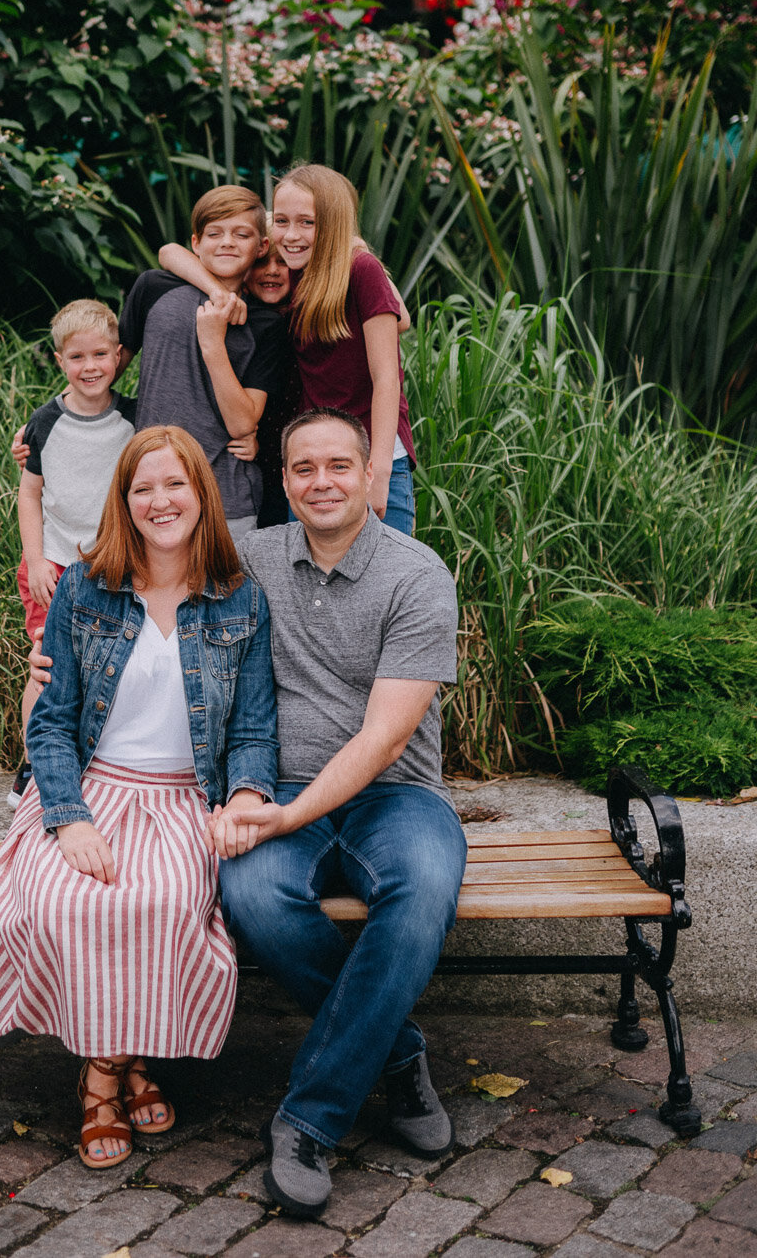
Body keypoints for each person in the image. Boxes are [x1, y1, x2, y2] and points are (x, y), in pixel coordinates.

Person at [0, 426, 279, 1169]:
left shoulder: (240, 598)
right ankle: (128, 1067)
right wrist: (68, 817)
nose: (160, 500)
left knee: (169, 900)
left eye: (174, 484)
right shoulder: (86, 588)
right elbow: (48, 726)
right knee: (72, 898)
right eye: (142, 488)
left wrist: (242, 797)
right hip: (91, 786)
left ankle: (101, 1074)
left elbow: (253, 731)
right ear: (124, 501)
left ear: (200, 494)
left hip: (184, 798)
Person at [212, 407, 463, 1218]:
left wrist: (285, 821)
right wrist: (58, 641)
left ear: (368, 475)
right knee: (251, 895)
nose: (321, 482)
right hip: (282, 784)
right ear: (284, 480)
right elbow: (146, 574)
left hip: (397, 796)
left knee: (422, 889)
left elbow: (386, 738)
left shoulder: (416, 574)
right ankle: (395, 1057)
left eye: (338, 467)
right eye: (303, 469)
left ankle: (311, 1120)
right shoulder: (253, 557)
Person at [159, 164, 417, 535]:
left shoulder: (359, 268)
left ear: (331, 224)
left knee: (385, 582)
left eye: (307, 223)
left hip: (371, 458)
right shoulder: (292, 270)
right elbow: (169, 252)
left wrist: (378, 473)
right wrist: (218, 291)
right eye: (281, 221)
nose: (291, 235)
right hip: (313, 462)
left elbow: (387, 375)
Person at [12, 299, 136, 803]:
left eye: (101, 355)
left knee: (110, 662)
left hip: (117, 562)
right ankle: (31, 765)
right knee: (47, 664)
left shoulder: (134, 416)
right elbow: (29, 493)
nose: (90, 367)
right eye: (77, 357)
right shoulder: (44, 422)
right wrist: (37, 559)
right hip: (57, 563)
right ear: (60, 361)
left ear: (119, 355)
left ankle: (96, 761)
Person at [119, 186, 289, 541]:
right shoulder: (154, 288)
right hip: (152, 493)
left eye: (241, 234)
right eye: (215, 233)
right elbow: (106, 369)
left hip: (228, 498)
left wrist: (213, 342)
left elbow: (243, 422)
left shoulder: (266, 324)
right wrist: (54, 417)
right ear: (196, 243)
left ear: (260, 246)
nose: (227, 242)